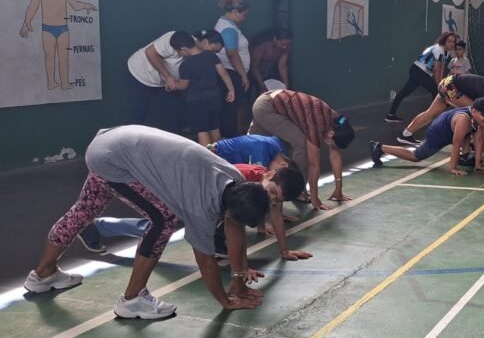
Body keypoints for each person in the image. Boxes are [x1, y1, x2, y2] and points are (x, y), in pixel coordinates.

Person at [24, 126, 272, 319]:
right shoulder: (200, 206)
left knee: (85, 209)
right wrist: (225, 301)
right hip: (115, 160)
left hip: (111, 143)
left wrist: (238, 279)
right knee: (163, 220)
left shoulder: (236, 180)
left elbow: (234, 228)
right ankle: (132, 300)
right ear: (230, 213)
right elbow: (206, 262)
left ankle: (44, 274)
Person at [75, 159, 311, 261]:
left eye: (277, 200)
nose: (272, 200)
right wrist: (241, 269)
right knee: (166, 222)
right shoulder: (243, 178)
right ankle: (98, 227)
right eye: (272, 193)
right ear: (268, 175)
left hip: (210, 201)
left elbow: (276, 218)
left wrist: (284, 250)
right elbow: (233, 226)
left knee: (169, 223)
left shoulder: (270, 190)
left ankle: (99, 227)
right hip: (190, 188)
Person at [250, 89, 355, 210]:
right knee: (302, 144)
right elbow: (313, 165)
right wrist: (315, 199)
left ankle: (256, 189)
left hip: (272, 100)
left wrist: (338, 189)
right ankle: (298, 190)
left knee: (254, 144)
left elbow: (335, 153)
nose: (331, 147)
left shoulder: (337, 122)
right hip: (267, 107)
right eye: (333, 144)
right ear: (331, 134)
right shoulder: (317, 124)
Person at [18, 0, 97, 91]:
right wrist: (26, 22)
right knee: (59, 58)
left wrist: (26, 22)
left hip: (53, 28)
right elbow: (75, 5)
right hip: (58, 29)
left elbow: (34, 6)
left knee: (52, 58)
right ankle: (59, 83)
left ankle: (56, 83)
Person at [371, 97, 484, 176]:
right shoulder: (463, 120)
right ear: (474, 110)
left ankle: (466, 157)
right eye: (483, 115)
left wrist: (478, 164)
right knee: (415, 156)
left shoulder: (477, 118)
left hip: (449, 126)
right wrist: (453, 168)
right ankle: (380, 147)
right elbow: (456, 144)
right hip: (438, 133)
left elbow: (479, 139)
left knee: (474, 133)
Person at [397, 73, 484, 154]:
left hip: (446, 84)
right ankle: (465, 147)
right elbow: (482, 121)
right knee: (473, 114)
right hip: (450, 86)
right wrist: (482, 150)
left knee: (429, 114)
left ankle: (405, 134)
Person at [125, 31, 199, 131]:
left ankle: (173, 138)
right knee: (138, 113)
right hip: (140, 74)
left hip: (166, 82)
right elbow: (150, 52)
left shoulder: (196, 47)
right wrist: (168, 77)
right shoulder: (171, 39)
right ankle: (133, 138)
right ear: (182, 49)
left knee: (174, 112)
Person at [176, 30, 235, 145]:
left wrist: (173, 84)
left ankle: (207, 154)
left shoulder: (185, 65)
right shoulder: (211, 56)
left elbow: (183, 85)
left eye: (178, 51)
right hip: (215, 98)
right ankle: (220, 152)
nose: (178, 54)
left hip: (197, 102)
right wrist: (231, 90)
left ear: (183, 49)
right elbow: (223, 73)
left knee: (202, 130)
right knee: (214, 127)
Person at [385, 32, 457, 123]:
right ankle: (435, 118)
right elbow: (436, 69)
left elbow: (441, 68)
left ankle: (390, 115)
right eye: (449, 41)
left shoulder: (445, 52)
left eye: (453, 42)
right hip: (419, 71)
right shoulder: (439, 49)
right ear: (444, 41)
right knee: (436, 91)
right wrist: (439, 84)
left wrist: (441, 82)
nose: (451, 44)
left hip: (417, 71)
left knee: (404, 92)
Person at [215, 0, 252, 137]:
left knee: (229, 109)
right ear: (236, 12)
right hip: (231, 72)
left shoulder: (227, 25)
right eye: (244, 15)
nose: (245, 19)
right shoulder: (229, 28)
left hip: (229, 72)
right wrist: (243, 75)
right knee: (230, 110)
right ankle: (229, 138)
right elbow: (232, 53)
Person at [249, 27, 293, 93]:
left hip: (269, 73)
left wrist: (286, 87)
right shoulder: (263, 46)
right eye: (282, 44)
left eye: (287, 45)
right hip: (255, 73)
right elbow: (254, 67)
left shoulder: (286, 46)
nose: (284, 47)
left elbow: (282, 66)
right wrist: (262, 85)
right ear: (275, 39)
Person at [208, 134, 289, 168]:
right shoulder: (260, 152)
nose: (272, 175)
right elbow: (259, 179)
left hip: (219, 147)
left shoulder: (278, 146)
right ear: (283, 165)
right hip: (216, 156)